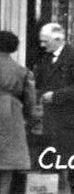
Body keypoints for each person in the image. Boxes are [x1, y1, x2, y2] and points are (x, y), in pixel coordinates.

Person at [33, 24, 74, 194]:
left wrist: (55, 96)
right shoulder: (44, 58)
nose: (42, 45)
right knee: (50, 169)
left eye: (45, 41)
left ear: (58, 39)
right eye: (41, 41)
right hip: (52, 124)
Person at [0, 31, 36, 194]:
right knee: (6, 166)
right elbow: (30, 101)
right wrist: (30, 118)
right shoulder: (21, 71)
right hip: (10, 115)